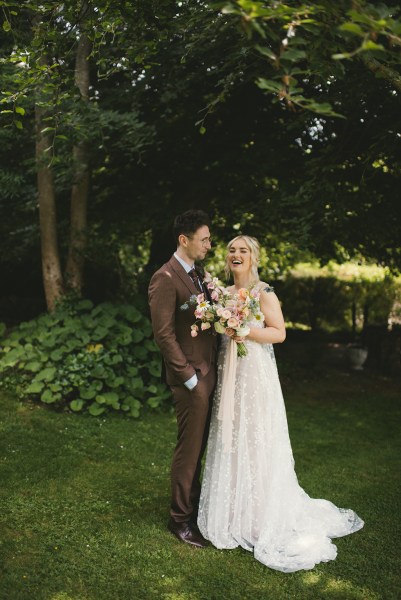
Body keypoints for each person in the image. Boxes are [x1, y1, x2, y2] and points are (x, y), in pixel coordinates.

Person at [198, 235, 364, 572]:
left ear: (254, 258)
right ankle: (230, 510)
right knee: (231, 435)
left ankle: (260, 514)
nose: (236, 254)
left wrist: (244, 329)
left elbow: (279, 332)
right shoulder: (220, 295)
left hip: (254, 375)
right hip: (228, 373)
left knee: (257, 439)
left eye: (243, 250)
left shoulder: (265, 292)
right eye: (231, 250)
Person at [148, 209, 217, 548]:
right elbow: (163, 335)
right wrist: (189, 378)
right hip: (191, 378)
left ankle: (193, 508)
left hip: (208, 371)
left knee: (201, 446)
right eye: (204, 239)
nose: (209, 244)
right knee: (188, 450)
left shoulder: (197, 274)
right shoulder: (165, 277)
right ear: (184, 240)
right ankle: (180, 520)